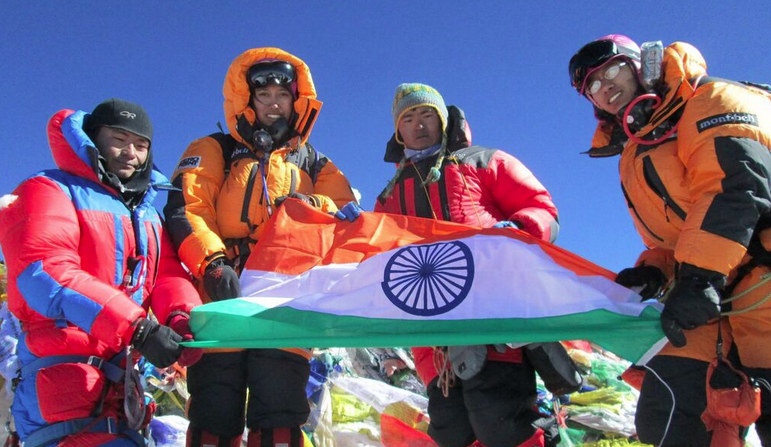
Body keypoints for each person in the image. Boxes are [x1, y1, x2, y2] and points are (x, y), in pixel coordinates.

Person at [569, 35, 771, 446]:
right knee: (669, 412)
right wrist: (652, 270)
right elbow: (675, 236)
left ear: (641, 63)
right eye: (591, 86)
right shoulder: (636, 151)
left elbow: (737, 188)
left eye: (611, 71)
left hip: (753, 284)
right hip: (712, 293)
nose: (604, 88)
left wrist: (699, 279)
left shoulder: (713, 99)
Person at [163, 47, 357, 447]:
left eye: (282, 96)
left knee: (281, 417)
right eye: (263, 95)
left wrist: (309, 205)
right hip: (220, 295)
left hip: (286, 304)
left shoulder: (318, 164)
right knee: (213, 415)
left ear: (296, 101)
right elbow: (187, 209)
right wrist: (213, 264)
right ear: (247, 99)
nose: (273, 103)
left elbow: (345, 219)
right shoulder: (214, 147)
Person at [0, 98, 203, 447]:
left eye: (141, 145)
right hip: (62, 381)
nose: (130, 153)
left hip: (121, 385)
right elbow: (46, 273)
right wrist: (137, 329)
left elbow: (168, 273)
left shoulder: (148, 215)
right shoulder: (48, 189)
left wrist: (182, 319)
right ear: (93, 137)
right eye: (119, 139)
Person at [373, 83, 560, 447]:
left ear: (443, 120)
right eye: (408, 118)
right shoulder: (389, 195)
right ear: (398, 131)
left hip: (494, 312)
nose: (419, 124)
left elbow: (542, 208)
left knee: (501, 418)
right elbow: (377, 256)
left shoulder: (484, 161)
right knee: (452, 429)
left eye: (427, 114)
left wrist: (520, 229)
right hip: (432, 333)